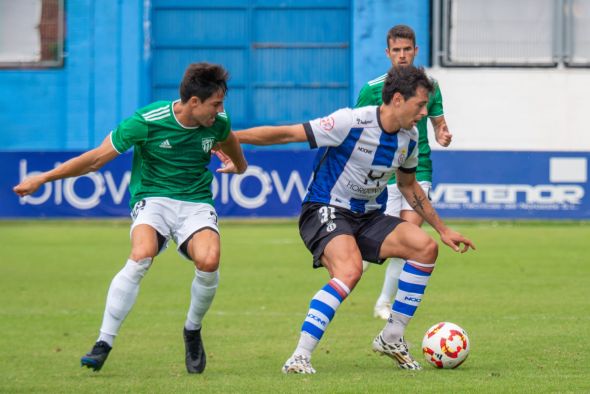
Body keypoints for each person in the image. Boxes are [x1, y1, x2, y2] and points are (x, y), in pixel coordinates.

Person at [229, 65, 475, 373]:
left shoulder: (409, 139)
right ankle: (300, 356)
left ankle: (392, 336)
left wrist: (442, 229)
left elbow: (408, 186)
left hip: (368, 216)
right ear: (398, 99)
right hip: (325, 208)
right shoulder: (350, 121)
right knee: (350, 271)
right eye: (420, 104)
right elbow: (288, 133)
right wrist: (228, 137)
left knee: (425, 248)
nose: (424, 112)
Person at [13, 62, 248, 374]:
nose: (220, 110)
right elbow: (95, 159)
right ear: (194, 102)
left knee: (209, 260)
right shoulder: (147, 121)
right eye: (215, 103)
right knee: (141, 256)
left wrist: (239, 166)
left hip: (195, 201)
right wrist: (44, 178)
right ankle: (103, 342)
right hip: (153, 199)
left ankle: (192, 330)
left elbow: (229, 141)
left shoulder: (218, 121)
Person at [355, 25, 454, 320]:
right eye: (396, 50)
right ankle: (354, 264)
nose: (401, 55)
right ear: (388, 53)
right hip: (381, 173)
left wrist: (442, 133)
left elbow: (438, 123)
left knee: (409, 234)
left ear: (415, 50)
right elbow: (355, 130)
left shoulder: (430, 86)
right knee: (377, 237)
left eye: (406, 49)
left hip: (417, 167)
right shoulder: (373, 89)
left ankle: (384, 302)